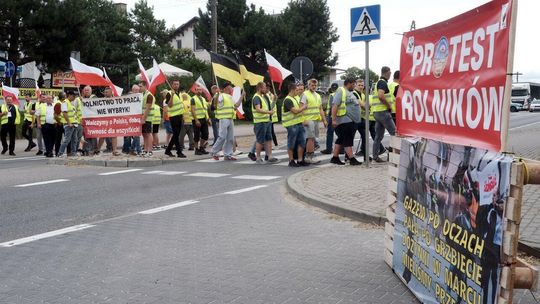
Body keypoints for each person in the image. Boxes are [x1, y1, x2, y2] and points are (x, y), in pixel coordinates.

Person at [330, 78, 362, 165]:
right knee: (347, 139)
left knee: (341, 139)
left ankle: (335, 157)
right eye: (353, 84)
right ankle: (351, 159)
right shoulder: (341, 91)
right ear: (348, 83)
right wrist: (333, 120)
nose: (354, 86)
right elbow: (335, 105)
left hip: (349, 120)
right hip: (344, 120)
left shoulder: (349, 92)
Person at [211, 82, 243, 161]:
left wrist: (242, 96)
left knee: (230, 138)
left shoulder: (230, 97)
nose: (232, 88)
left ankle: (227, 154)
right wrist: (217, 95)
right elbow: (214, 105)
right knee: (222, 136)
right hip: (223, 118)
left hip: (230, 119)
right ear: (226, 88)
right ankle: (214, 152)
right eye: (230, 87)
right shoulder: (220, 95)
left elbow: (236, 106)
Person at [370, 66, 396, 162]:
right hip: (383, 112)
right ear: (387, 73)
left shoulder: (377, 83)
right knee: (394, 133)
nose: (390, 74)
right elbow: (381, 96)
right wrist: (389, 105)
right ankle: (393, 156)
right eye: (390, 73)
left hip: (377, 112)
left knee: (379, 136)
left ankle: (375, 156)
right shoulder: (382, 82)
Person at [281, 83, 309, 167]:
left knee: (302, 142)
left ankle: (300, 160)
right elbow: (295, 111)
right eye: (296, 90)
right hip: (291, 125)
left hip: (299, 123)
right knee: (291, 143)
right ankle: (291, 160)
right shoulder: (288, 100)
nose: (298, 92)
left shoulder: (296, 98)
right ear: (292, 90)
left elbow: (298, 110)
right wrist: (304, 107)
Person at [300, 79, 327, 164]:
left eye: (315, 85)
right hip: (308, 120)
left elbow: (320, 109)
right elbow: (301, 108)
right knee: (310, 139)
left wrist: (324, 120)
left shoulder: (318, 95)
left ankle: (309, 156)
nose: (314, 87)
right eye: (312, 85)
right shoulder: (305, 94)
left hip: (316, 120)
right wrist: (303, 120)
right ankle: (309, 156)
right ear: (308, 85)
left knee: (313, 138)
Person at [252, 82, 279, 164]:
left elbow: (269, 107)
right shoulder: (256, 97)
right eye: (264, 87)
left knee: (269, 139)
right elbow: (258, 109)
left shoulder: (263, 97)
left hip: (267, 121)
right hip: (260, 122)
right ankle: (258, 158)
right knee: (260, 140)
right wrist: (268, 112)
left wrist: (274, 101)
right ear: (260, 88)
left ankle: (270, 156)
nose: (266, 89)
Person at [164, 80, 186, 158]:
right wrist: (172, 96)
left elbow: (180, 105)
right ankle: (179, 152)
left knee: (176, 135)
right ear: (172, 85)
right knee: (176, 134)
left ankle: (168, 150)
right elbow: (169, 105)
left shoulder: (179, 93)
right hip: (173, 117)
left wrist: (183, 116)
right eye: (175, 84)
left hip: (179, 116)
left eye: (177, 84)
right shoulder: (169, 94)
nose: (176, 85)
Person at [96, 87, 120, 156]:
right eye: (105, 92)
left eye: (107, 92)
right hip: (104, 121)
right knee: (102, 135)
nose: (105, 93)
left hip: (113, 120)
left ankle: (114, 150)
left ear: (111, 92)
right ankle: (98, 149)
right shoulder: (101, 100)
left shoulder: (115, 100)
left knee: (114, 135)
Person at [57, 91, 79, 157]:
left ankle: (73, 153)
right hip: (69, 125)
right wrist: (69, 123)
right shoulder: (65, 102)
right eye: (74, 96)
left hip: (74, 124)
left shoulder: (70, 103)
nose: (75, 97)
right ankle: (60, 153)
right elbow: (64, 113)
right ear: (69, 95)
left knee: (75, 140)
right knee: (67, 140)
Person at [191, 85, 211, 155]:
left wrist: (208, 119)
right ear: (195, 91)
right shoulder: (193, 99)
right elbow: (193, 110)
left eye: (200, 90)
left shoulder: (203, 99)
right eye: (197, 90)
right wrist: (196, 120)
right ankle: (196, 150)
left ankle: (201, 147)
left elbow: (205, 110)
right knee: (196, 135)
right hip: (197, 119)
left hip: (204, 119)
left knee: (205, 134)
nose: (199, 91)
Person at [122, 84, 141, 155]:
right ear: (132, 90)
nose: (137, 91)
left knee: (136, 135)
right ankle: (127, 149)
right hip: (127, 119)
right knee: (127, 136)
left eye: (138, 90)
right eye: (135, 90)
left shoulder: (140, 97)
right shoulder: (128, 97)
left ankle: (135, 149)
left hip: (136, 119)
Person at [321, 83, 338, 155]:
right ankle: (342, 149)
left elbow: (331, 107)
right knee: (340, 134)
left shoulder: (332, 95)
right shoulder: (341, 95)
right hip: (340, 116)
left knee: (330, 133)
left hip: (332, 117)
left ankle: (329, 149)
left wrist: (329, 118)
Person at [140, 81, 155, 157]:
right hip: (144, 117)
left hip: (147, 118)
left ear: (145, 86)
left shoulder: (149, 95)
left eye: (141, 86)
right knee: (144, 134)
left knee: (148, 134)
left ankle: (150, 151)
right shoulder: (143, 94)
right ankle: (145, 150)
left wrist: (143, 118)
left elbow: (147, 109)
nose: (139, 88)